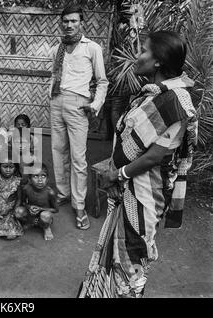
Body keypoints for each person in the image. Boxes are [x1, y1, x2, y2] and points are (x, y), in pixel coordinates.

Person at [79, 31, 198, 298]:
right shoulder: (154, 96)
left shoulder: (175, 101)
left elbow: (155, 156)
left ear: (158, 61)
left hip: (145, 191)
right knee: (119, 247)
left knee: (132, 253)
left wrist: (117, 174)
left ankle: (126, 293)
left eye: (143, 50)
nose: (137, 55)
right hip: (130, 184)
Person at [49, 5, 108, 230]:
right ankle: (64, 193)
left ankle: (79, 204)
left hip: (78, 104)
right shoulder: (57, 49)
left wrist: (95, 104)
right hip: (56, 102)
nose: (69, 25)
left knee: (78, 157)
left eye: (73, 21)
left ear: (81, 22)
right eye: (65, 21)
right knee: (58, 150)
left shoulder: (92, 48)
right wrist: (52, 98)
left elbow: (102, 81)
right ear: (61, 23)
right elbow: (54, 75)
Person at [0, 152, 24, 239]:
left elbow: (19, 199)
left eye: (11, 167)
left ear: (15, 168)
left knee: (11, 236)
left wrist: (13, 212)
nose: (8, 170)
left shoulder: (17, 181)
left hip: (8, 214)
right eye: (5, 167)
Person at [16, 164, 57, 241]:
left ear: (47, 179)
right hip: (31, 213)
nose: (40, 180)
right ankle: (31, 222)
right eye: (35, 176)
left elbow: (55, 210)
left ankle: (46, 227)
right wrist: (29, 207)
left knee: (45, 215)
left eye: (43, 176)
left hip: (44, 213)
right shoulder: (26, 189)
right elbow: (23, 202)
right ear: (30, 179)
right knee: (18, 212)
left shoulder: (50, 192)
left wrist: (40, 209)